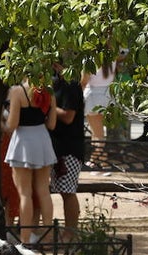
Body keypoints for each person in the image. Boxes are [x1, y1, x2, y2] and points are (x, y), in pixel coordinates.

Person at [5, 80, 58, 242]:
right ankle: (48, 238)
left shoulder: (17, 91)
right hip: (42, 139)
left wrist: (2, 122)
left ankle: (25, 239)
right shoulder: (49, 90)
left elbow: (12, 124)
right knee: (44, 191)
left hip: (23, 141)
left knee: (25, 194)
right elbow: (52, 124)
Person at [49, 61, 86, 235]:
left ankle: (71, 233)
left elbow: (68, 116)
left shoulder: (71, 84)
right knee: (64, 191)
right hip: (57, 146)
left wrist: (48, 106)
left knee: (67, 191)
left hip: (70, 147)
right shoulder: (57, 84)